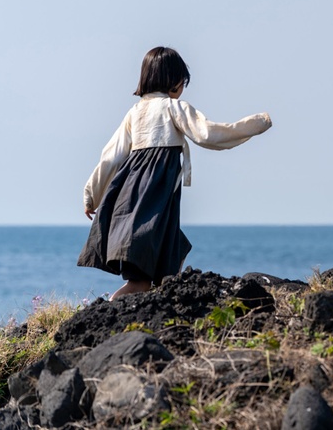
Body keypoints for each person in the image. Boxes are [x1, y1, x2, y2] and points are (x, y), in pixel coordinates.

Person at [78, 46, 272, 299]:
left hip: (131, 193)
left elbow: (111, 156)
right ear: (173, 81)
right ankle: (114, 310)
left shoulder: (134, 112)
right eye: (182, 82)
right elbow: (207, 134)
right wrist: (255, 125)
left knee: (170, 252)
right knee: (145, 277)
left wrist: (91, 194)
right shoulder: (173, 107)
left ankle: (145, 307)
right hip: (154, 195)